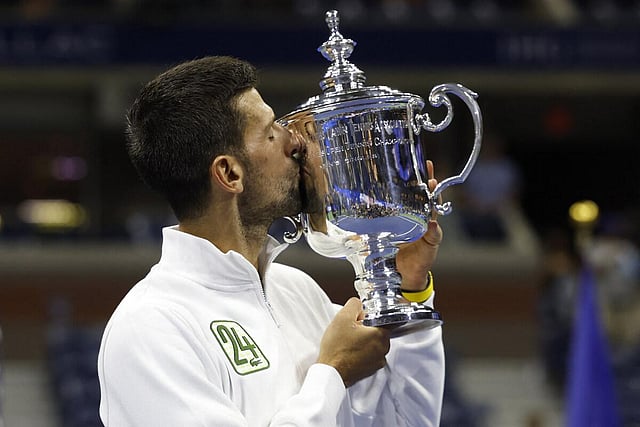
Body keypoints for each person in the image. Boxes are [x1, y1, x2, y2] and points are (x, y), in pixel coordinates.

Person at [97, 55, 445, 427]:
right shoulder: (151, 327)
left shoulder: (296, 290)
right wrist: (332, 374)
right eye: (270, 132)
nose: (295, 141)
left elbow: (408, 422)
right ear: (229, 173)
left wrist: (408, 286)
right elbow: (333, 375)